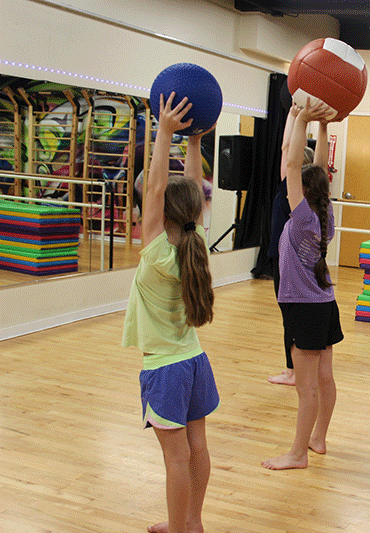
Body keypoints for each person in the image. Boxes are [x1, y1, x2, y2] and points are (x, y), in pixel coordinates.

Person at [122, 92, 219, 532]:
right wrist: (195, 143)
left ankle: (179, 529)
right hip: (195, 361)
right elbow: (186, 191)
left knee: (176, 458)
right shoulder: (196, 245)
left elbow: (158, 186)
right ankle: (191, 521)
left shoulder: (158, 252)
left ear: (160, 215)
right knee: (196, 448)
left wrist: (164, 132)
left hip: (166, 369)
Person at [262, 99, 343, 470]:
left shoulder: (303, 219)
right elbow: (314, 167)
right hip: (324, 303)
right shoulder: (324, 212)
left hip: (305, 307)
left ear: (301, 192)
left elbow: (294, 163)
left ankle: (297, 454)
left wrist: (304, 118)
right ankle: (318, 438)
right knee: (324, 379)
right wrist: (324, 127)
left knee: (306, 387)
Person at [267, 105, 328, 386]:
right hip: (319, 293)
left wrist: (296, 116)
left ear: (300, 186)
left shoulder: (300, 214)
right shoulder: (325, 212)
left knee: (289, 320)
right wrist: (324, 127)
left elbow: (288, 156)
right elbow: (320, 167)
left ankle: (294, 371)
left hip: (294, 281)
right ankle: (300, 368)